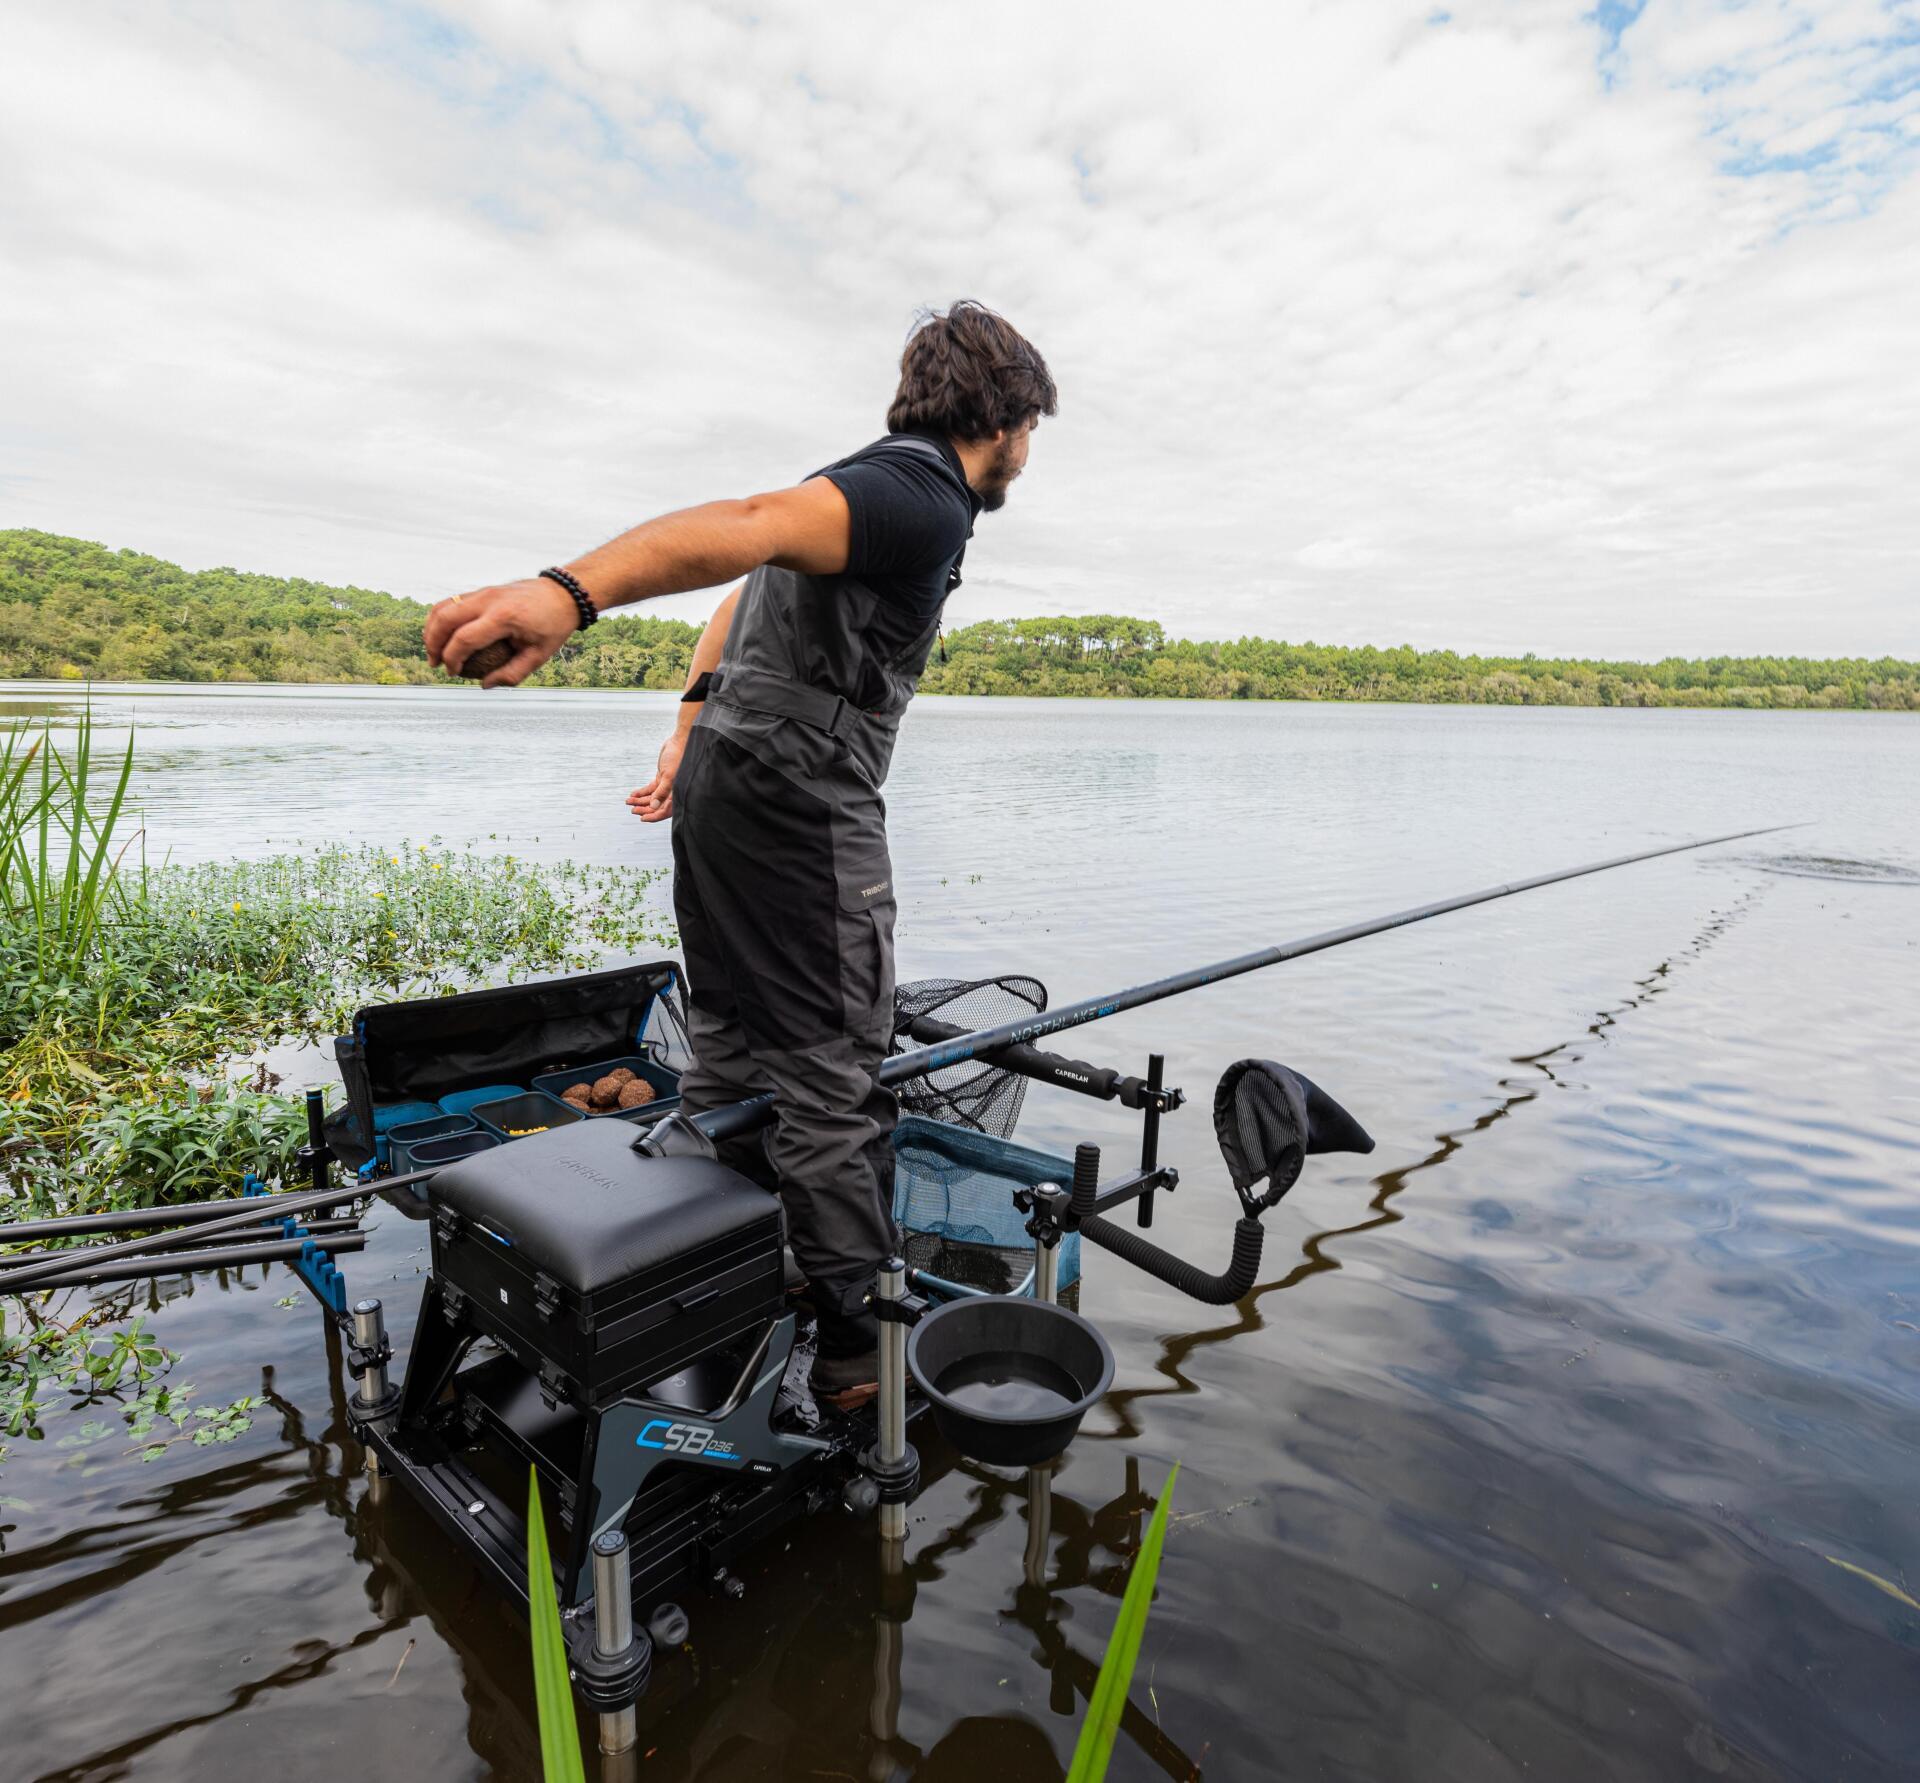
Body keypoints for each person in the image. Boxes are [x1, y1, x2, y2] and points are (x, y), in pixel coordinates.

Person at [424, 300, 1056, 1407]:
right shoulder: (921, 493)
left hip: (728, 783)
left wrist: (685, 729)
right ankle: (860, 1356)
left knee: (724, 1039)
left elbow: (737, 591)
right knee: (832, 1075)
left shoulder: (864, 481)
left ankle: (709, 1271)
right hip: (803, 803)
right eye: (1031, 431)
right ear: (1002, 417)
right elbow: (750, 519)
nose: (1028, 456)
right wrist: (568, 594)